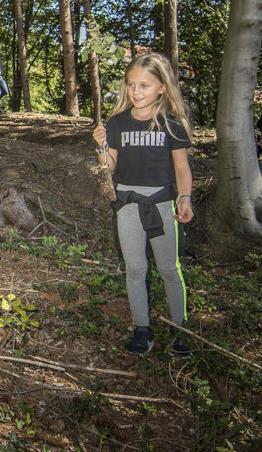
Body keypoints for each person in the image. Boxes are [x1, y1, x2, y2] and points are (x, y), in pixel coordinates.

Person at [92, 54, 194, 358]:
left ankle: (180, 328)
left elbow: (182, 168)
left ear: (162, 87)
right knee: (135, 269)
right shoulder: (118, 122)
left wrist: (185, 198)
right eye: (132, 84)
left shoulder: (171, 123)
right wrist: (100, 144)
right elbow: (108, 167)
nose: (136, 91)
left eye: (145, 85)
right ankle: (142, 329)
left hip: (163, 206)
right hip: (127, 205)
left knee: (169, 269)